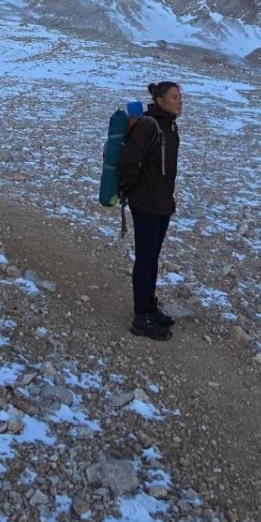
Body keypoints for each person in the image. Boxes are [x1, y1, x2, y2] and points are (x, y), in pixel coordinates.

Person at [119, 81, 182, 340]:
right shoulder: (148, 126)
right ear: (159, 100)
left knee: (152, 257)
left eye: (180, 97)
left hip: (162, 202)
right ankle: (140, 317)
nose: (179, 101)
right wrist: (131, 190)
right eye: (174, 97)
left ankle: (149, 305)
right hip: (146, 203)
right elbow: (130, 161)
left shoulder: (169, 126)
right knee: (145, 258)